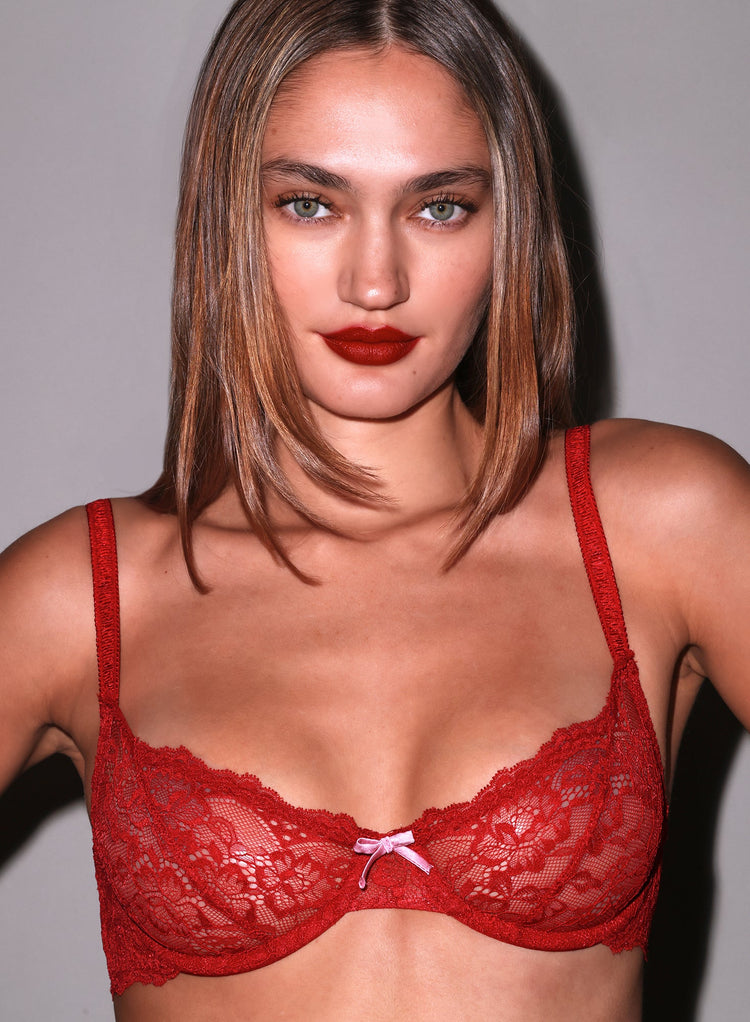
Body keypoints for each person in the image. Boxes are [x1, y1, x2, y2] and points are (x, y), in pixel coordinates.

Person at [1, 0, 748, 1018]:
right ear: (228, 218)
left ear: (509, 224)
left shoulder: (659, 524)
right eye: (311, 203)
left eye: (439, 208)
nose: (377, 281)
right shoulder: (81, 599)